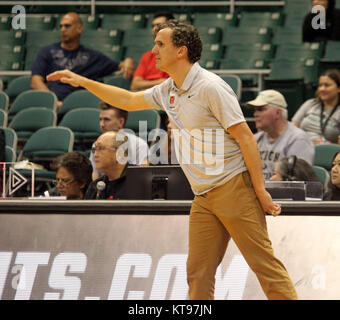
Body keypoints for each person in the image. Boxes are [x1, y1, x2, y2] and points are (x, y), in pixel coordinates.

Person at [47, 20, 298, 300]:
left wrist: (260, 190)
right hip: (203, 195)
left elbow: (246, 138)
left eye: (160, 44)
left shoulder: (211, 87)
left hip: (233, 187)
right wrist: (82, 81)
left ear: (181, 51)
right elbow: (129, 100)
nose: (153, 50)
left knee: (264, 267)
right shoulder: (169, 89)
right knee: (198, 273)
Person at [31, 12, 135, 108]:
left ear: (79, 28)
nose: (62, 29)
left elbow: (120, 65)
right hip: (51, 104)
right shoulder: (46, 52)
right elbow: (35, 81)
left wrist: (128, 61)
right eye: (61, 26)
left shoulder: (92, 57)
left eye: (67, 26)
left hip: (78, 105)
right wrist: (53, 102)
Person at [246, 89, 315, 180]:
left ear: (278, 113)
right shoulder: (256, 138)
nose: (255, 114)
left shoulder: (298, 139)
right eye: (255, 110)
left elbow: (299, 180)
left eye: (261, 109)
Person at [89, 101, 148, 180]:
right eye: (100, 119)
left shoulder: (139, 145)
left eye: (107, 120)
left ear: (121, 122)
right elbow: (95, 173)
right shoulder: (96, 144)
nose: (102, 124)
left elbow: (142, 176)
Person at [292, 69, 340, 144]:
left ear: (338, 88)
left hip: (327, 151)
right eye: (320, 85)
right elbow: (293, 127)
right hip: (302, 147)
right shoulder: (310, 104)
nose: (322, 89)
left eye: (327, 85)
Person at [130, 12, 174, 91]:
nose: (154, 29)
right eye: (153, 26)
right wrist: (160, 82)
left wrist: (146, 84)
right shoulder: (147, 56)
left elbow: (174, 84)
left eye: (159, 25)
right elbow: (135, 85)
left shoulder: (176, 54)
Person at [84, 131, 129, 200]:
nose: (95, 155)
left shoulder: (138, 182)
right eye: (94, 150)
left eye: (100, 148)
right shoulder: (95, 187)